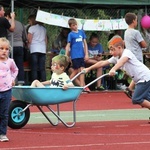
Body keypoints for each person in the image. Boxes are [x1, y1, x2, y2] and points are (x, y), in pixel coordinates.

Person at [84, 35, 150, 109]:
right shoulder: (116, 57)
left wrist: (113, 69)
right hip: (140, 79)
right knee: (146, 99)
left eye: (112, 50)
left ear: (119, 48)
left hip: (144, 78)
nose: (110, 52)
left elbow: (122, 62)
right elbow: (102, 63)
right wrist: (89, 68)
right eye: (110, 50)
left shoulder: (127, 53)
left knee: (136, 99)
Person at [124, 12, 147, 98]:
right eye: (137, 20)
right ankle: (140, 93)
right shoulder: (136, 32)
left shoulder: (126, 32)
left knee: (137, 75)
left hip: (129, 56)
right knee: (142, 75)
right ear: (134, 21)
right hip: (137, 56)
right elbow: (144, 44)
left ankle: (130, 88)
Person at [0, 37, 18, 142]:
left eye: (6, 49)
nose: (4, 51)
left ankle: (2, 133)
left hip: (6, 91)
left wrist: (12, 78)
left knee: (4, 113)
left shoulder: (10, 61)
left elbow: (15, 70)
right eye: (1, 48)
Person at [65, 18, 90, 92]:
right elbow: (68, 45)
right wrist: (67, 56)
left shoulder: (81, 32)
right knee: (76, 70)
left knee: (82, 70)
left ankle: (82, 86)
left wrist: (86, 54)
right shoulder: (71, 34)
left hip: (81, 55)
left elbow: (85, 43)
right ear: (70, 27)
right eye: (73, 25)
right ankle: (67, 82)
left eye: (76, 25)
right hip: (75, 55)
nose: (75, 26)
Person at [5, 10, 27, 85]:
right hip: (20, 45)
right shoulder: (21, 24)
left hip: (10, 45)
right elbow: (25, 36)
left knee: (9, 64)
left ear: (7, 16)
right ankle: (21, 81)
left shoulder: (7, 24)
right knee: (20, 64)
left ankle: (10, 81)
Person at [27, 14, 48, 82]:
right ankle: (44, 81)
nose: (29, 23)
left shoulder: (31, 28)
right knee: (42, 68)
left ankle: (35, 81)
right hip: (42, 49)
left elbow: (29, 40)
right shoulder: (44, 28)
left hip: (34, 49)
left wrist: (28, 46)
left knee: (34, 68)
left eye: (29, 21)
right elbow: (46, 40)